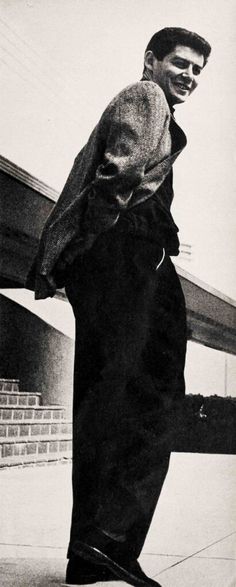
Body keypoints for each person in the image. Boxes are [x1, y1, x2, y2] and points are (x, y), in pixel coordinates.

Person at [28, 27, 211, 587]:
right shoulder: (145, 96)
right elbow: (119, 172)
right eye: (180, 62)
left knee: (135, 398)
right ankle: (100, 541)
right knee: (130, 399)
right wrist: (100, 249)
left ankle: (101, 548)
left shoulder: (156, 103)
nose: (189, 76)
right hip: (128, 258)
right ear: (150, 61)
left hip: (142, 262)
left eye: (198, 70)